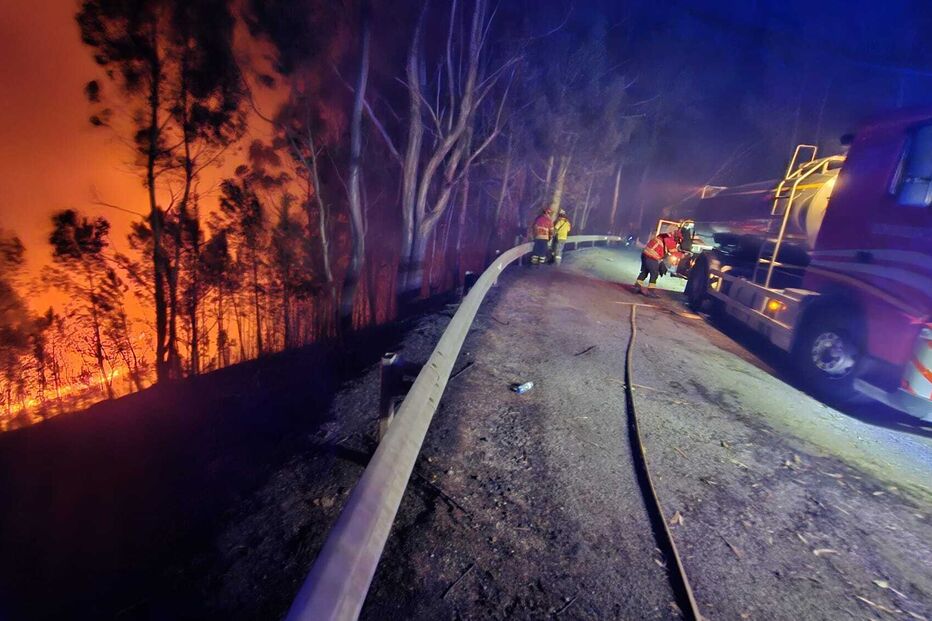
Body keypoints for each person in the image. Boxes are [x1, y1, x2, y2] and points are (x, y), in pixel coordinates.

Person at [634, 227, 684, 296]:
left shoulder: (664, 235)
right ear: (677, 237)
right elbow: (674, 252)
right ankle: (650, 291)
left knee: (645, 271)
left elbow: (664, 249)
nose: (677, 242)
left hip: (645, 254)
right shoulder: (671, 240)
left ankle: (636, 287)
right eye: (678, 240)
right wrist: (683, 255)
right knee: (654, 274)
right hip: (651, 257)